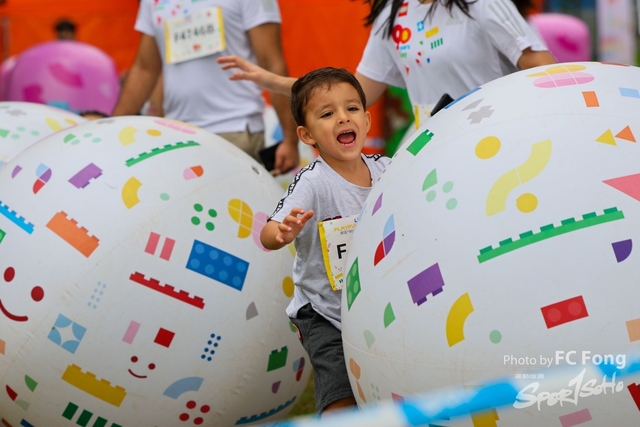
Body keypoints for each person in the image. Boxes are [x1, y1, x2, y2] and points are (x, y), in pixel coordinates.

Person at [260, 67, 390, 414]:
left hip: (373, 304)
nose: (343, 118)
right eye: (327, 113)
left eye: (352, 108)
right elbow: (268, 233)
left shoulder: (387, 170)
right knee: (341, 396)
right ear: (307, 135)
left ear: (366, 120)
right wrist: (282, 232)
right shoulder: (313, 182)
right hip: (323, 311)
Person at [217, 0, 556, 127]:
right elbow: (352, 94)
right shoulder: (393, 15)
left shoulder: (482, 3)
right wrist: (273, 81)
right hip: (433, 146)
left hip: (497, 136)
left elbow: (543, 68)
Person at [112, 0, 299, 175]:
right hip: (177, 135)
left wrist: (290, 140)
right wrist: (110, 131)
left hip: (236, 128)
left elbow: (272, 63)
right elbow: (145, 69)